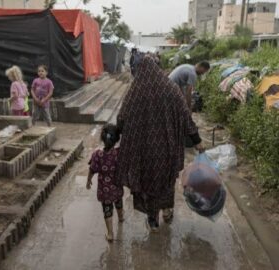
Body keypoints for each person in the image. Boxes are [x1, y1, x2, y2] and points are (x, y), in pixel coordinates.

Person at [116, 56, 205, 232]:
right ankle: (167, 211)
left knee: (148, 183)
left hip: (144, 151)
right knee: (166, 181)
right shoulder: (171, 88)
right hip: (167, 148)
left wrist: (115, 136)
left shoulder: (136, 90)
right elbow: (185, 116)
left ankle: (152, 220)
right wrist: (197, 141)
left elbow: (122, 117)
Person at [86, 124, 124, 242]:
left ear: (103, 138)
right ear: (117, 139)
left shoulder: (97, 155)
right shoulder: (119, 153)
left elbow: (92, 169)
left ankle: (110, 234)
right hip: (117, 187)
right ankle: (121, 217)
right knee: (118, 202)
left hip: (105, 190)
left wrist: (89, 180)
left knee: (107, 210)